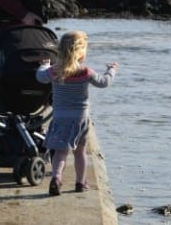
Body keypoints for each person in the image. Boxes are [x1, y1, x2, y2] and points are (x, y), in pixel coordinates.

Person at [36, 30, 119, 195]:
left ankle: (56, 178)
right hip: (80, 119)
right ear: (81, 53)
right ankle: (80, 183)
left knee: (60, 152)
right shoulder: (85, 72)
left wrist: (44, 65)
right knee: (80, 151)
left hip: (60, 118)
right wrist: (111, 70)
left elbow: (40, 77)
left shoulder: (55, 71)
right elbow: (104, 82)